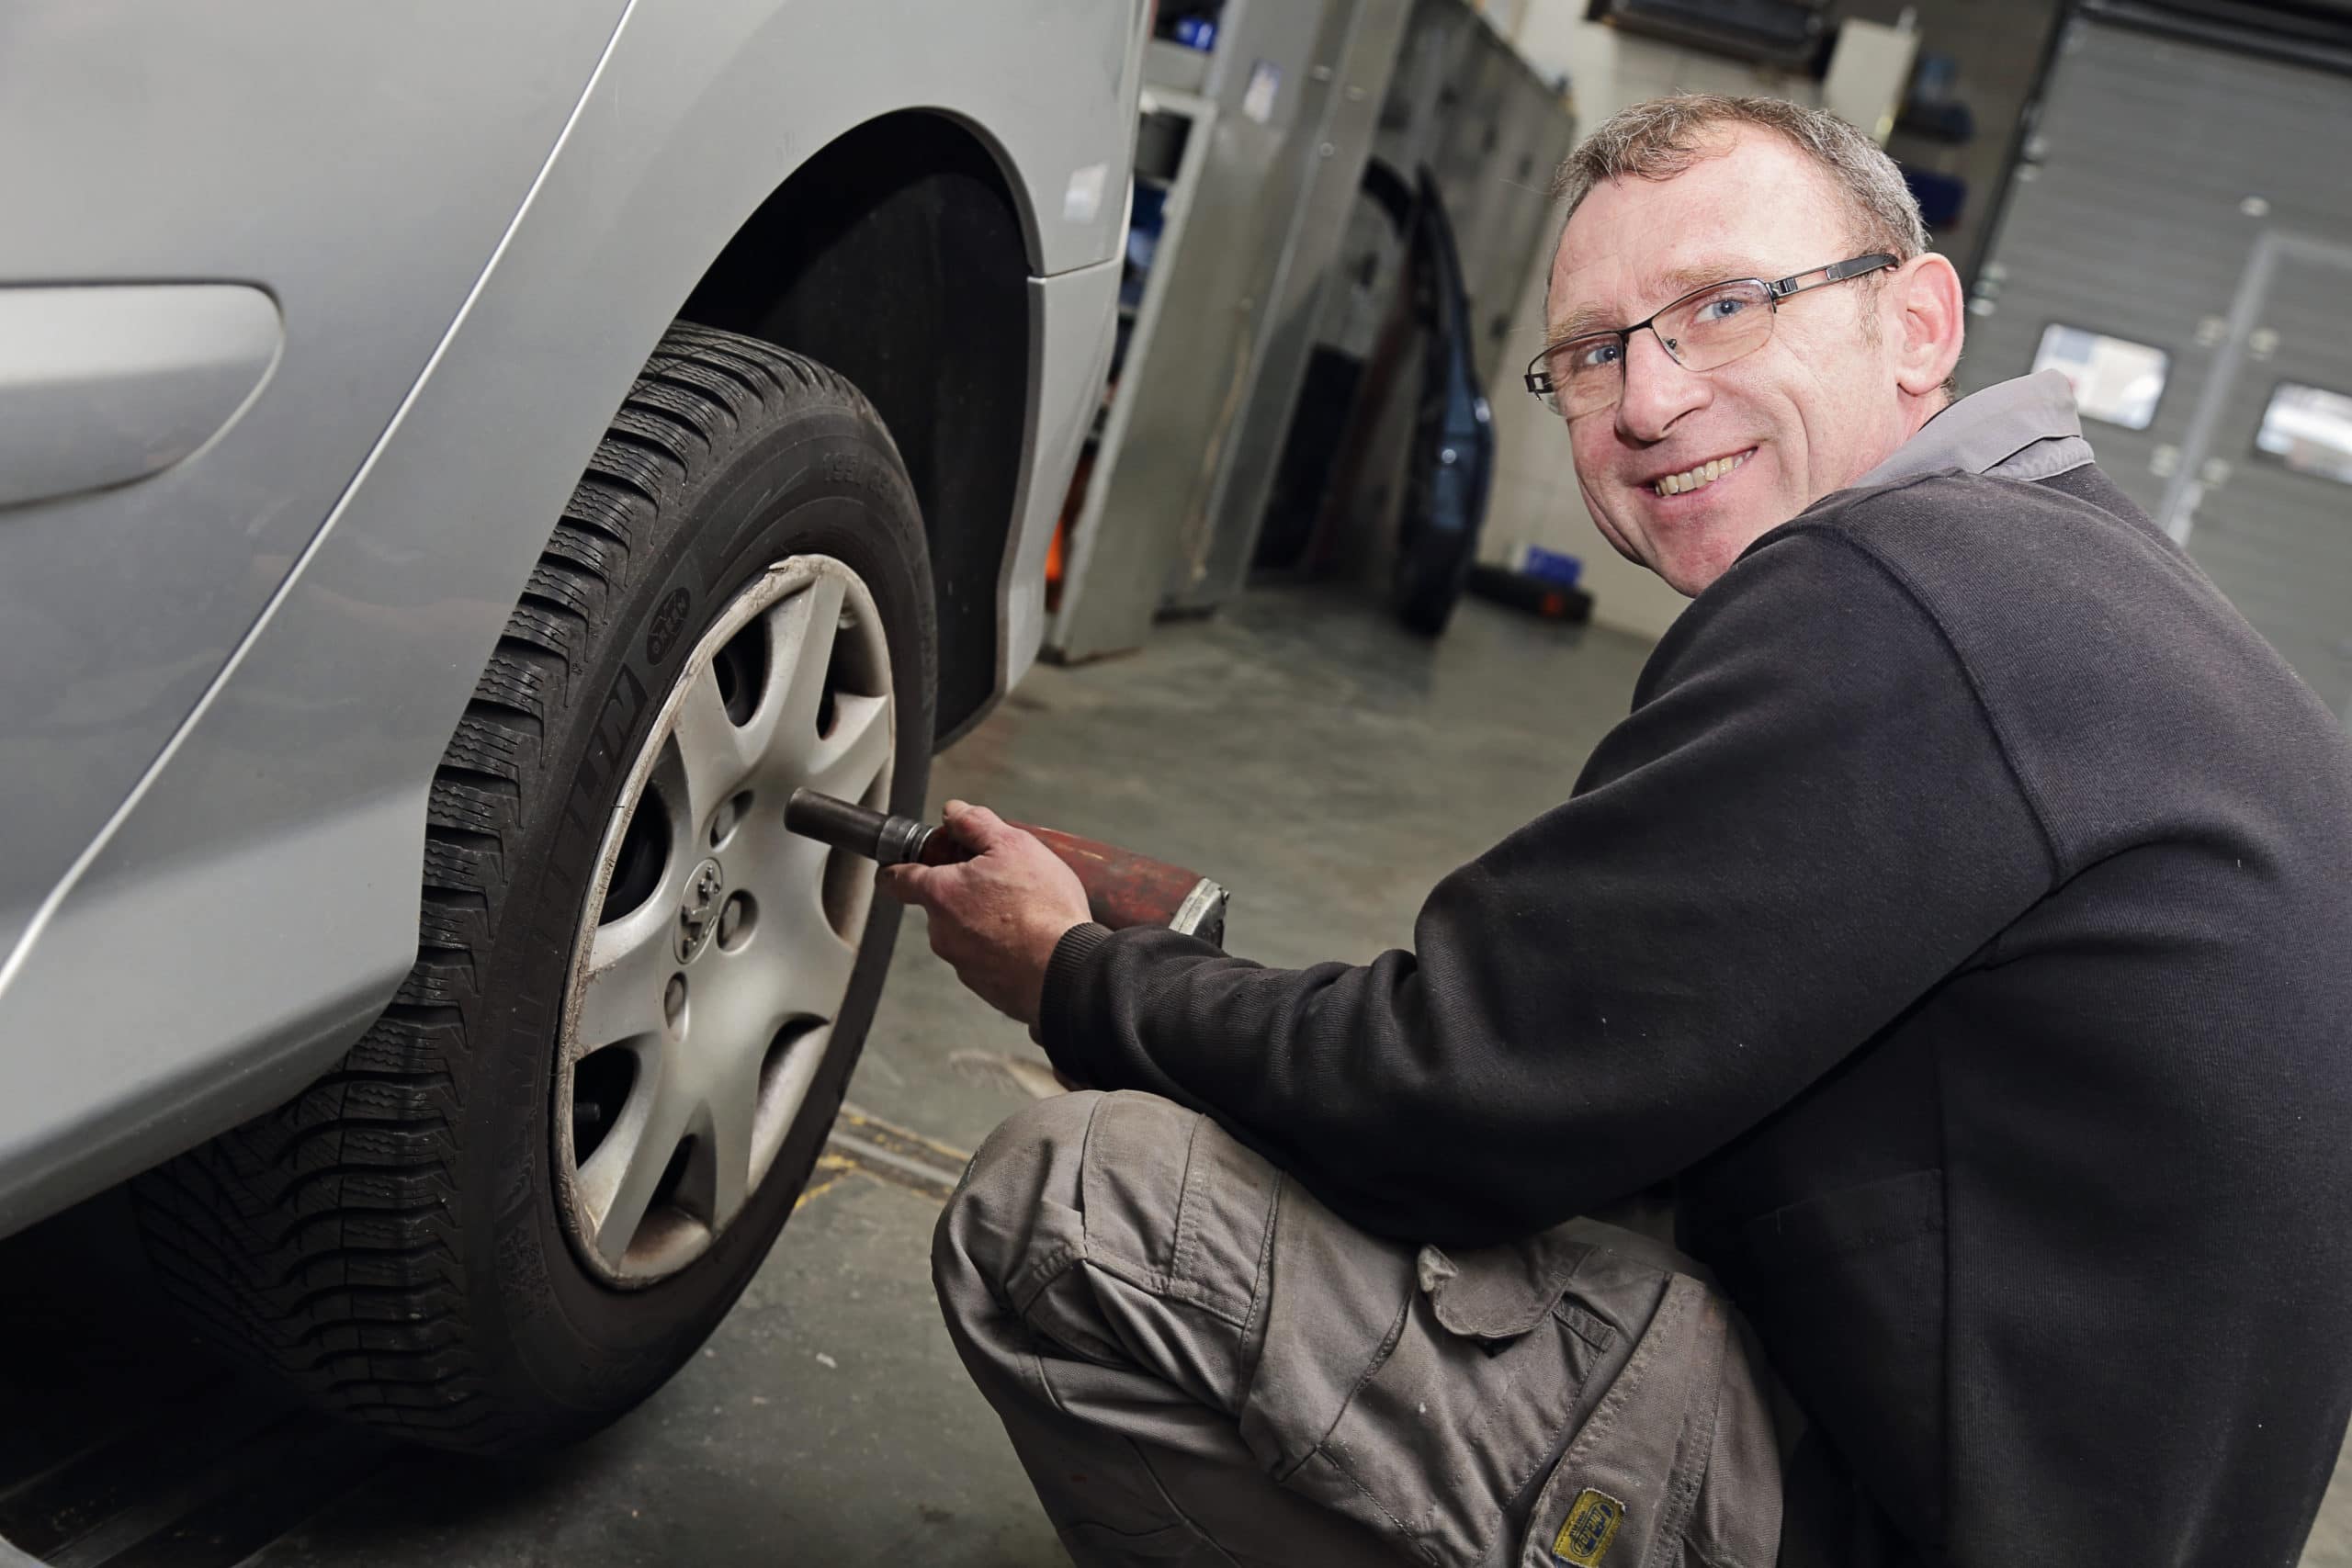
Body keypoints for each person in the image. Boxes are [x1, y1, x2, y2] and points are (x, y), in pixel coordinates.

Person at [881, 95, 2352, 1567]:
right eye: (1593, 353)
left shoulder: (1900, 599)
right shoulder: (2077, 577)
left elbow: (1445, 1091)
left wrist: (1072, 969)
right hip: (2057, 1483)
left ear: (1918, 323)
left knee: (1079, 1207)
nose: (1647, 401)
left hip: (1908, 1520)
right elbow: (1583, 1049)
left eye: (1723, 308)